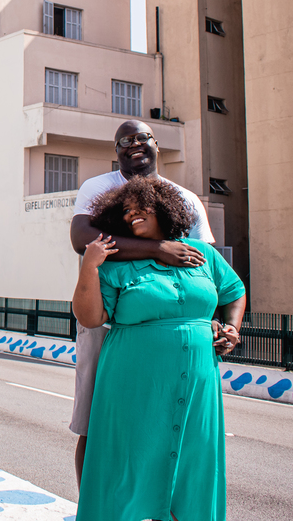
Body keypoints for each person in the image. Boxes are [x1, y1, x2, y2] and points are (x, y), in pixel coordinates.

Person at [73, 176, 245, 521]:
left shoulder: (204, 254)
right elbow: (90, 317)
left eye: (142, 208)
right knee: (131, 458)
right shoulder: (114, 263)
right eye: (127, 212)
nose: (134, 215)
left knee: (193, 459)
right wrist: (90, 266)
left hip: (198, 384)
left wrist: (232, 328)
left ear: (164, 210)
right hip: (133, 382)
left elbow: (235, 291)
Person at [68, 120, 216, 485]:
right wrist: (158, 248)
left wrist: (215, 319)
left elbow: (208, 263)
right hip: (108, 319)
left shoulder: (185, 198)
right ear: (115, 152)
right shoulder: (100, 186)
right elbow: (81, 237)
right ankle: (94, 509)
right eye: (124, 141)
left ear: (156, 145)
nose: (133, 144)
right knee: (96, 423)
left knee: (167, 425)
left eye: (141, 138)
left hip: (169, 326)